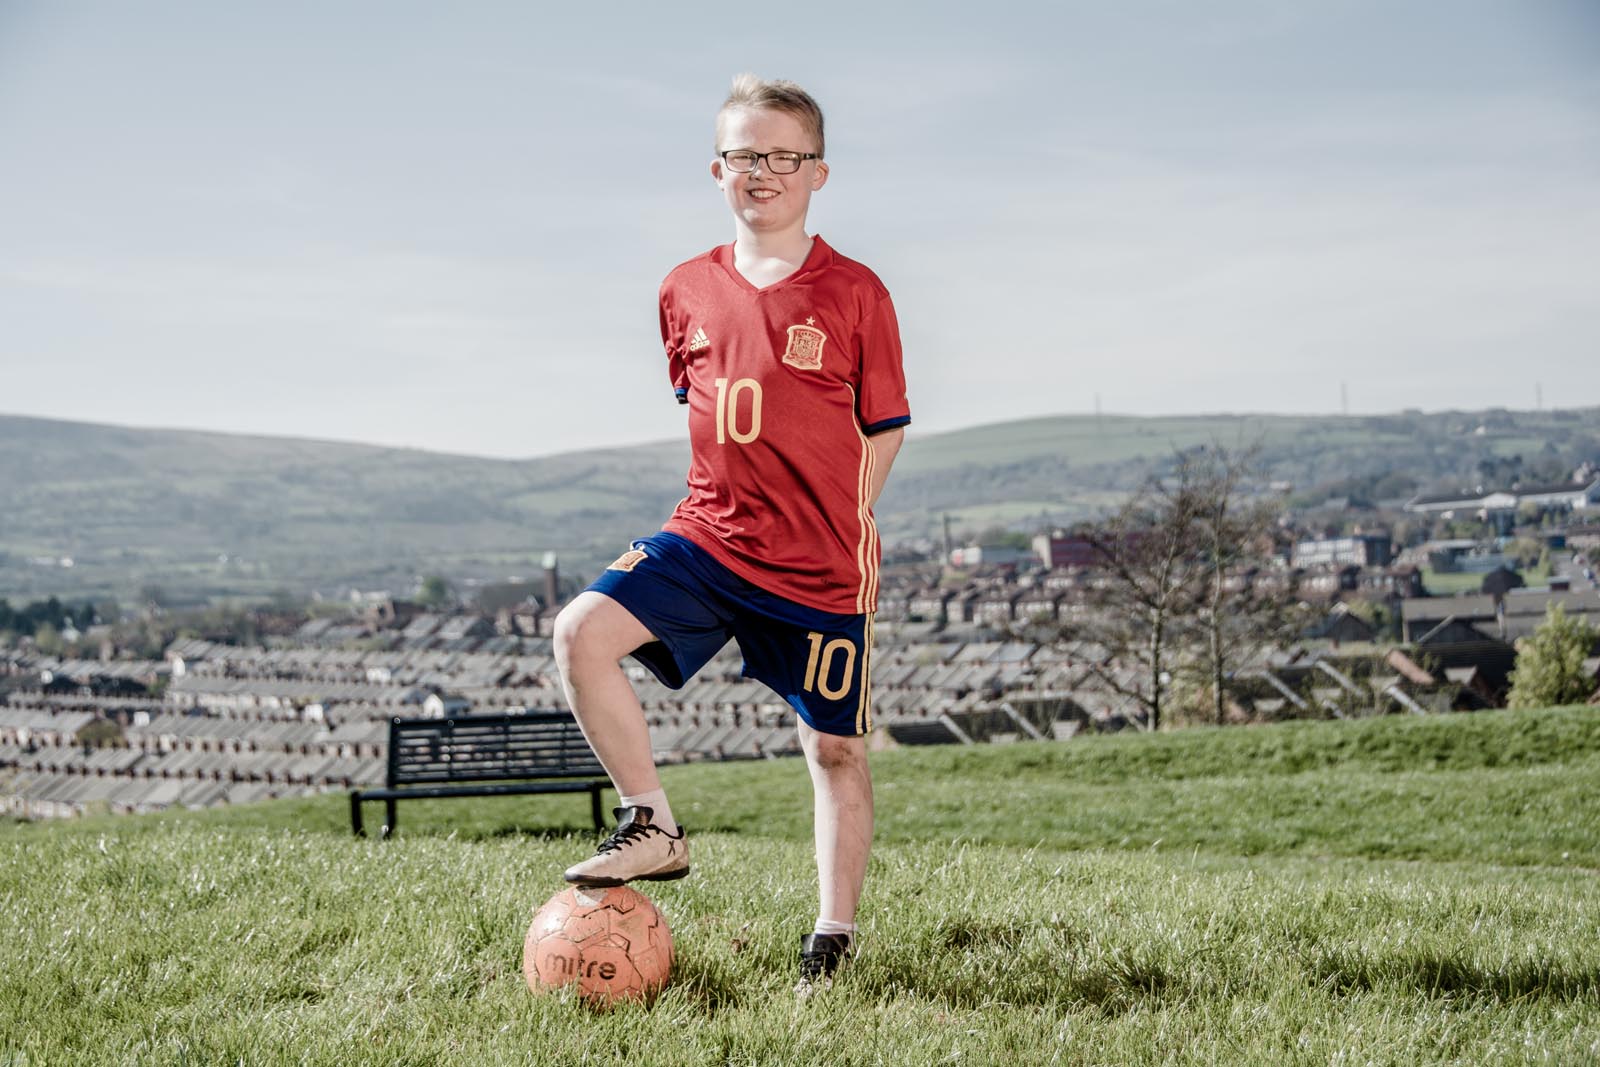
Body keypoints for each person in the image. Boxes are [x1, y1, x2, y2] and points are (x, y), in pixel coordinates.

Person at [553, 73, 910, 992]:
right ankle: (653, 824)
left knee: (833, 749)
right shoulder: (682, 290)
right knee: (581, 632)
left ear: (818, 173)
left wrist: (841, 514)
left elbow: (886, 428)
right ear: (717, 170)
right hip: (707, 537)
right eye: (746, 155)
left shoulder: (859, 293)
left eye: (783, 156)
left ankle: (831, 939)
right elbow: (709, 410)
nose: (764, 172)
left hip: (820, 563)